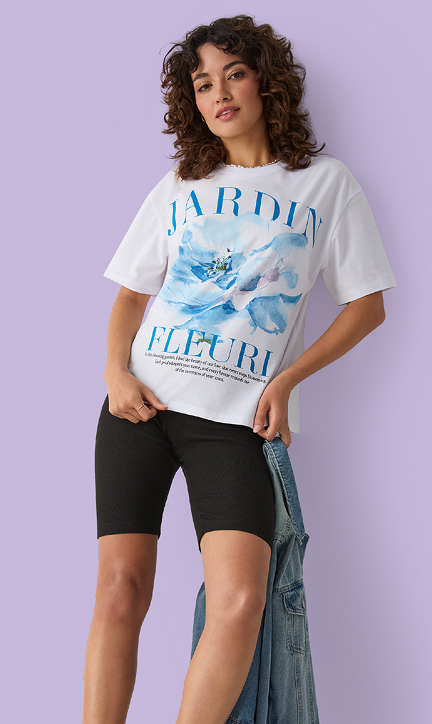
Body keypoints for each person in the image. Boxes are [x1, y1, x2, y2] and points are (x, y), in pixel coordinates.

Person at [82, 14, 397, 724]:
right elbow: (130, 296)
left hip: (235, 420)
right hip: (140, 406)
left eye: (234, 74)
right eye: (202, 84)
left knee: (241, 599)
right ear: (191, 102)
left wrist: (287, 380)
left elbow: (367, 305)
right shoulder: (181, 184)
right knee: (120, 588)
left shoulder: (325, 185)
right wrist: (113, 373)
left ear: (265, 82)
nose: (219, 93)